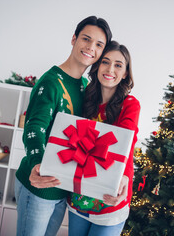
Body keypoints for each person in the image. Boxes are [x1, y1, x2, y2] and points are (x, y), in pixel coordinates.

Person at [14, 16, 112, 236]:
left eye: (99, 45)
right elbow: (34, 127)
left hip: (63, 190)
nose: (90, 47)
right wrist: (37, 164)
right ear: (74, 39)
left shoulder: (86, 86)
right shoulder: (51, 81)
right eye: (86, 39)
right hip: (38, 187)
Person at [67, 41, 140, 236]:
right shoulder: (85, 99)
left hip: (111, 196)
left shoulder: (130, 104)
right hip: (80, 193)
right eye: (105, 62)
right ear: (97, 66)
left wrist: (125, 177)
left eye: (118, 65)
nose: (110, 69)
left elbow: (127, 141)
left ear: (125, 73)